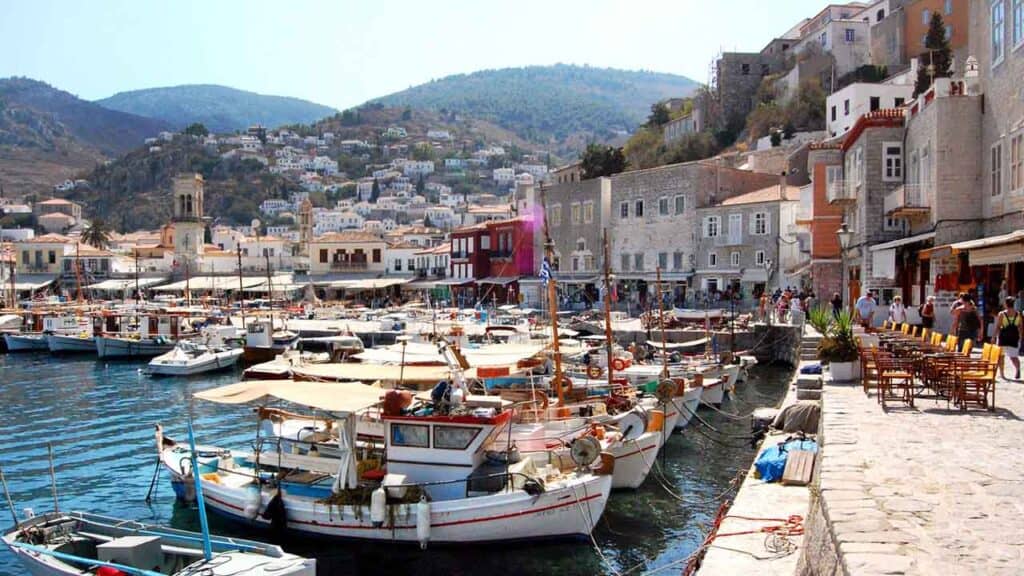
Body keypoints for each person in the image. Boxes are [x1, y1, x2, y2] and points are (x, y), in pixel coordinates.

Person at [996, 297, 1022, 380]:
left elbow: (998, 326)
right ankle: (1017, 369)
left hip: (1003, 337)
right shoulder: (1018, 314)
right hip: (1014, 337)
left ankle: (1002, 374)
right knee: (1014, 356)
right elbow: (1020, 327)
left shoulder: (1002, 314)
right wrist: (1020, 337)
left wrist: (993, 337)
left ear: (1006, 304)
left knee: (1001, 356)